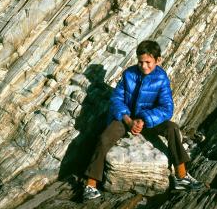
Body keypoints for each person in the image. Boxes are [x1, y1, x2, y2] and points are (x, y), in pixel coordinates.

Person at [83, 40, 202, 200]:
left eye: (148, 62)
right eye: (141, 62)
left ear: (158, 60)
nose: (144, 66)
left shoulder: (161, 78)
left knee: (172, 128)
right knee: (105, 138)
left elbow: (167, 108)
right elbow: (116, 100)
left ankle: (181, 176)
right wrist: (128, 120)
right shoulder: (129, 74)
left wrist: (144, 119)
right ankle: (91, 185)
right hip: (126, 119)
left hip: (148, 121)